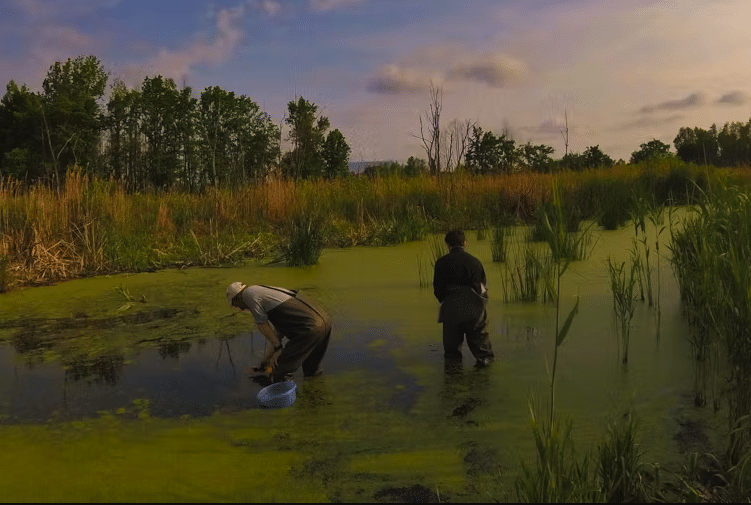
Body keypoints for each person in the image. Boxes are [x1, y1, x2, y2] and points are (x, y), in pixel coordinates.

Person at [226, 282, 331, 383]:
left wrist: (278, 349)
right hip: (324, 322)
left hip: (310, 329)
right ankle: (317, 395)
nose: (239, 308)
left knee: (280, 371)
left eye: (235, 304)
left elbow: (262, 324)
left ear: (238, 297)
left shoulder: (248, 295)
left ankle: (288, 400)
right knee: (312, 370)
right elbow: (279, 332)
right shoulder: (264, 294)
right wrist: (266, 360)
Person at [433, 230, 495, 368]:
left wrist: (448, 302)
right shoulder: (474, 262)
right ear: (465, 243)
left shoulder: (440, 263)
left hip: (451, 311)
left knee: (452, 357)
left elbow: (438, 291)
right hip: (474, 311)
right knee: (484, 356)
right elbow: (480, 287)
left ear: (447, 244)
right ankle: (482, 382)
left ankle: (454, 384)